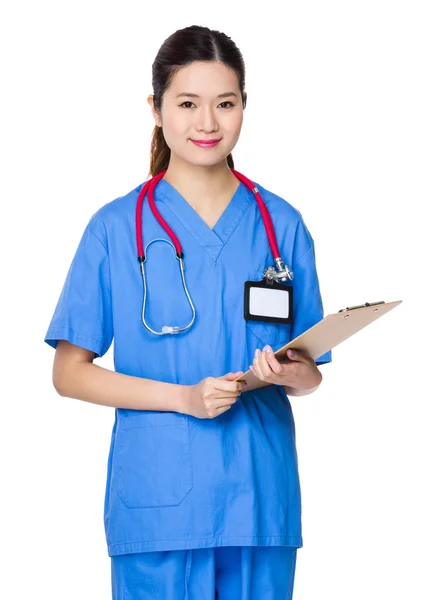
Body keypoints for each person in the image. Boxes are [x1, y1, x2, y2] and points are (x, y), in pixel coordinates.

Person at [44, 24, 332, 600]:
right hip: (159, 505)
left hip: (259, 498)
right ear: (155, 108)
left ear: (244, 106)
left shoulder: (282, 226)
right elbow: (67, 373)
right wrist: (184, 398)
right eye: (187, 104)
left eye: (225, 103)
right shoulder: (114, 229)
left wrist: (293, 373)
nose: (207, 123)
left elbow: (310, 371)